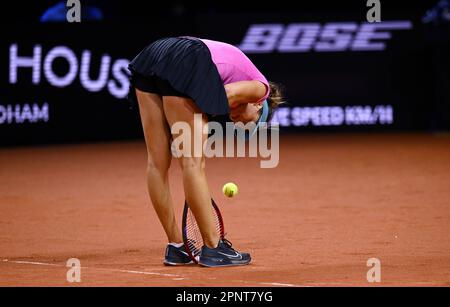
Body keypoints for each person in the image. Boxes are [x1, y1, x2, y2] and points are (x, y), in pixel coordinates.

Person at [128, 36, 283, 267]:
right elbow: (222, 95)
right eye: (245, 122)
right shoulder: (260, 89)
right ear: (259, 106)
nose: (236, 120)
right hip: (188, 56)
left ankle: (177, 247)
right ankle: (213, 247)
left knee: (157, 163)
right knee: (192, 162)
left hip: (155, 52)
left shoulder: (244, 95)